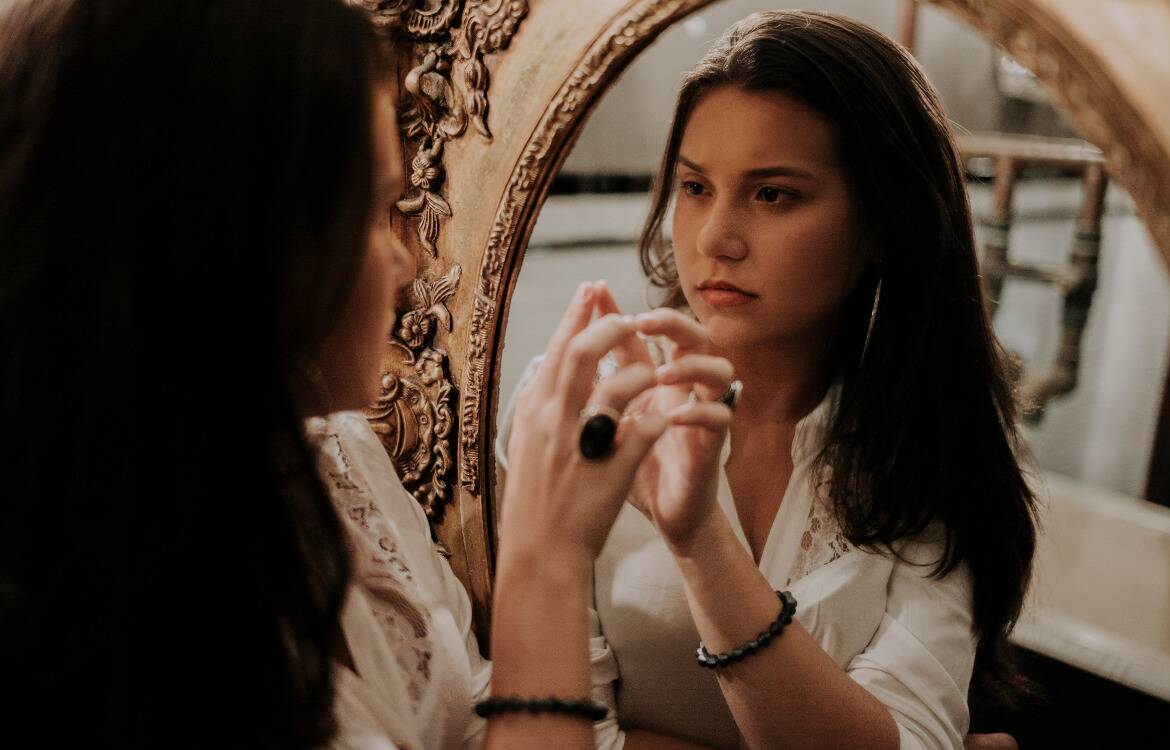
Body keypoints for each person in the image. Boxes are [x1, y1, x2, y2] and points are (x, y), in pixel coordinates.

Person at [0, 1, 685, 748]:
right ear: (233, 239)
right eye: (374, 211)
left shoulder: (336, 457)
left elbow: (469, 713)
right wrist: (545, 560)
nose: (403, 261)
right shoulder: (92, 604)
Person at [498, 11, 1037, 750]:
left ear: (883, 224)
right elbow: (548, 728)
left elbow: (914, 738)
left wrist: (701, 543)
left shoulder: (927, 447)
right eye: (694, 187)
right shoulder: (585, 411)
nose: (716, 237)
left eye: (773, 194)